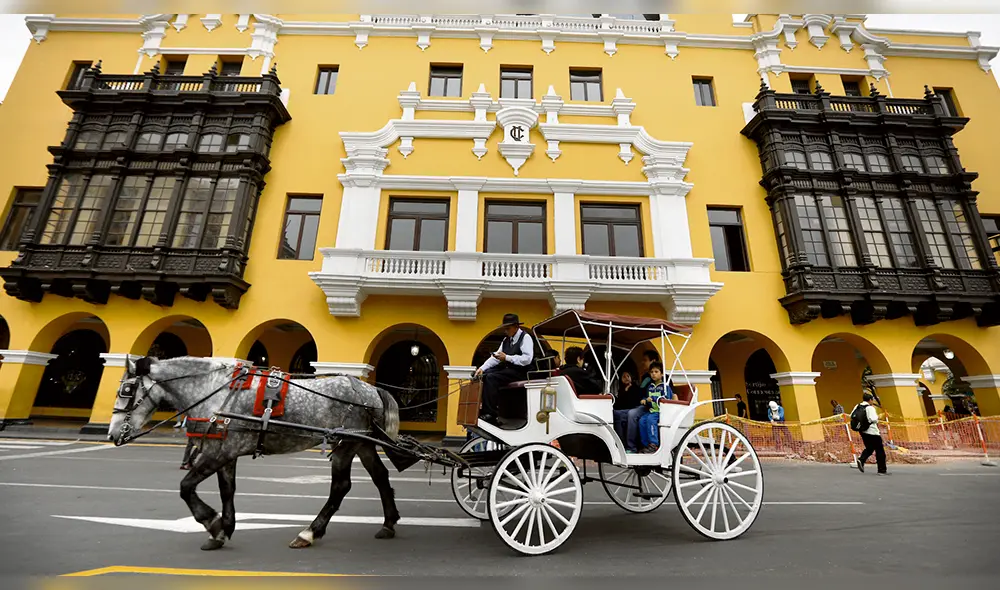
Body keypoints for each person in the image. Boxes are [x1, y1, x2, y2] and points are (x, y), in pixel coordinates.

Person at [474, 313, 535, 425]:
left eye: (508, 328)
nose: (505, 331)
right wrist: (482, 368)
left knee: (492, 378)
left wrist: (507, 357)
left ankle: (491, 414)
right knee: (485, 374)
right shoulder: (506, 340)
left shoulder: (525, 338)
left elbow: (527, 359)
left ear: (516, 327)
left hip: (521, 372)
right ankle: (485, 409)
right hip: (509, 371)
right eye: (505, 328)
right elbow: (496, 358)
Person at [638, 362, 672, 453]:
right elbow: (648, 399)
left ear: (661, 374)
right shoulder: (650, 387)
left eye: (656, 372)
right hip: (652, 410)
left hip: (661, 411)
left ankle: (654, 444)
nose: (653, 374)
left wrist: (653, 398)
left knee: (650, 419)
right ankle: (645, 444)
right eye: (652, 372)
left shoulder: (665, 387)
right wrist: (645, 400)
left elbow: (667, 399)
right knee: (642, 420)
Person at [853, 392, 888, 475]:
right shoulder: (870, 408)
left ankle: (861, 459)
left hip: (862, 431)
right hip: (872, 431)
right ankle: (882, 470)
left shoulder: (857, 406)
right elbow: (873, 419)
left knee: (870, 447)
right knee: (880, 450)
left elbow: (852, 416)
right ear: (870, 400)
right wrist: (877, 418)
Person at [613, 371, 645, 446]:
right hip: (624, 410)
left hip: (633, 409)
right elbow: (619, 403)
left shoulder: (635, 388)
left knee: (618, 415)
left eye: (628, 376)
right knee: (615, 414)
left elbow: (633, 403)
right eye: (624, 377)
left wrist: (627, 392)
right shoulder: (621, 389)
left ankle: (622, 444)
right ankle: (619, 442)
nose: (626, 378)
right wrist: (625, 392)